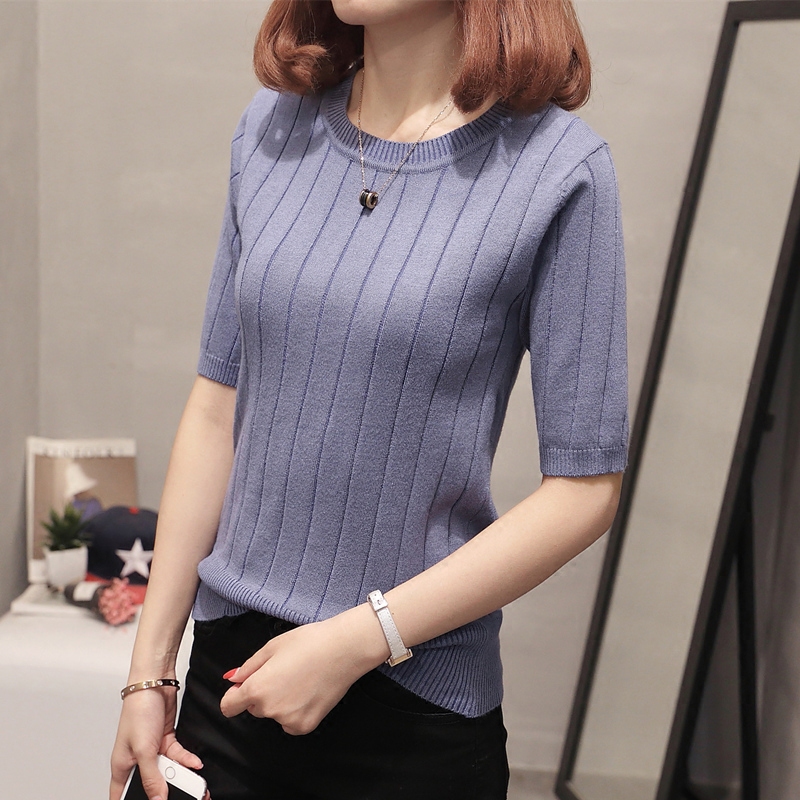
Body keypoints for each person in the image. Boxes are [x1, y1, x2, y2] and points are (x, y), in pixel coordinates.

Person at [110, 1, 628, 798]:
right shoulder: (270, 129)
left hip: (411, 717)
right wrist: (150, 674)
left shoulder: (559, 168)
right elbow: (217, 405)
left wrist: (362, 638)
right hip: (227, 689)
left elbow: (585, 490)